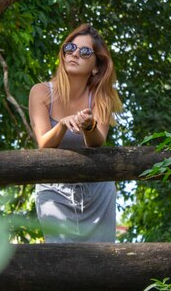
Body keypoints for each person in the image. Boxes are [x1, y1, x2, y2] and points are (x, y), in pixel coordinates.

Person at [29, 24, 123, 242]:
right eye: (70, 47)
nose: (74, 54)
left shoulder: (102, 98)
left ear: (96, 66)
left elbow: (97, 142)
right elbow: (43, 143)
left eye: (85, 52)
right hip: (53, 188)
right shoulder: (41, 92)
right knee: (61, 261)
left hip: (97, 190)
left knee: (101, 263)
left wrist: (88, 125)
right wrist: (62, 124)